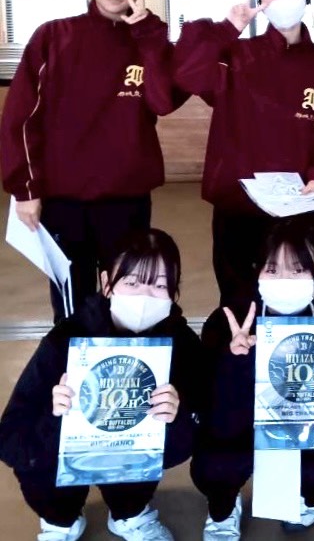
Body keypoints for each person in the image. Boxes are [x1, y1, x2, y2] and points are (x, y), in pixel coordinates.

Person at [0, 0, 187, 323]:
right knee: (72, 299)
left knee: (127, 294)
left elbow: (162, 101)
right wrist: (26, 189)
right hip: (64, 200)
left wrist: (147, 35)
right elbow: (21, 118)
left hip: (128, 198)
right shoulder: (54, 37)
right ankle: (72, 355)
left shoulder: (150, 42)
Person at [0, 229, 200, 541]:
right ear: (107, 283)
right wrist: (54, 418)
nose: (145, 297)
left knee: (139, 447)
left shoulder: (182, 344)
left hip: (131, 463)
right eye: (132, 282)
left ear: (175, 291)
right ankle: (60, 520)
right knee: (39, 463)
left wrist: (176, 418)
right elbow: (11, 439)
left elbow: (185, 446)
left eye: (160, 285)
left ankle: (129, 513)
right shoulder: (66, 339)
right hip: (63, 454)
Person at [174, 0, 314, 305]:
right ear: (260, 2)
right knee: (239, 302)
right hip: (238, 207)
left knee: (297, 302)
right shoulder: (237, 56)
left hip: (298, 207)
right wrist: (227, 28)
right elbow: (188, 75)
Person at [191, 220, 314, 539]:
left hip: (305, 432)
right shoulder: (228, 320)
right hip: (240, 429)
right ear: (257, 272)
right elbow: (217, 420)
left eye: (298, 269)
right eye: (272, 269)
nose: (284, 279)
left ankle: (304, 497)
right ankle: (223, 506)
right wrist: (235, 360)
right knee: (216, 464)